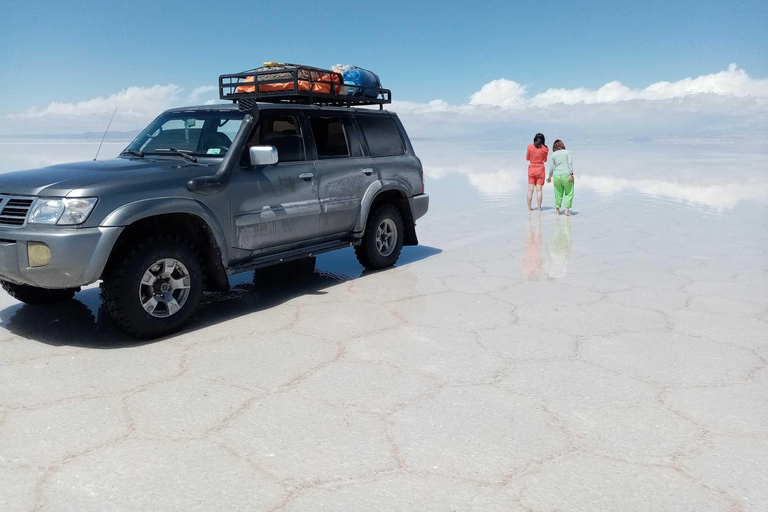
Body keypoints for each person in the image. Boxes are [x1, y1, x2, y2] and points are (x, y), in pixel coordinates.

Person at [547, 139, 574, 216]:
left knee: (558, 193)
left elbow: (551, 167)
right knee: (569, 193)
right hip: (566, 175)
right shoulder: (567, 153)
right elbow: (570, 163)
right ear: (562, 145)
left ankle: (557, 211)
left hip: (556, 176)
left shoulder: (553, 155)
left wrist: (549, 176)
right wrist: (571, 173)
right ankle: (566, 210)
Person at [526, 133, 548, 211]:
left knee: (530, 190)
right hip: (540, 170)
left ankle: (529, 207)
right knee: (539, 190)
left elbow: (527, 158)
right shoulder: (545, 148)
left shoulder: (530, 147)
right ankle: (539, 208)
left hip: (532, 169)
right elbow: (545, 159)